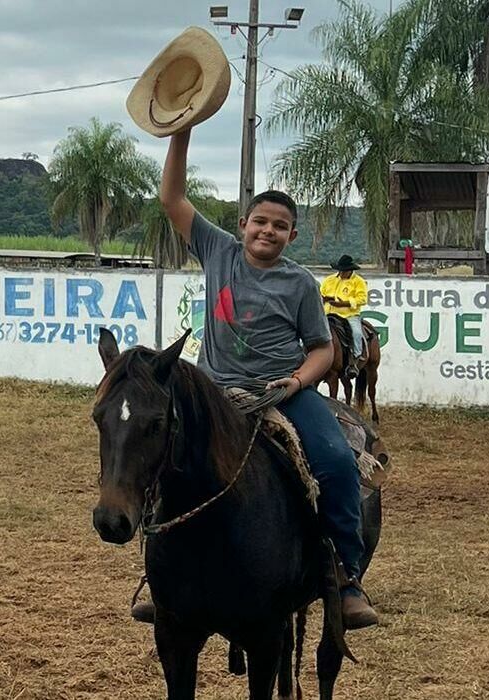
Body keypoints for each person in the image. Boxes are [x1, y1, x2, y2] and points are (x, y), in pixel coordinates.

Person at [132, 128, 379, 629]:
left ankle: (344, 576)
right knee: (162, 458)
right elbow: (171, 197)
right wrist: (183, 129)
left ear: (292, 235)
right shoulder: (216, 249)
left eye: (281, 226)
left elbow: (322, 349)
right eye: (260, 221)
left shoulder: (300, 284)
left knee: (334, 460)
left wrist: (297, 382)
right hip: (212, 393)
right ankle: (160, 579)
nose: (268, 230)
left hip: (280, 394)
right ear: (242, 224)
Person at [321, 255, 368, 378]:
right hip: (328, 313)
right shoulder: (329, 280)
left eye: (344, 270)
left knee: (357, 333)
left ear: (350, 270)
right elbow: (320, 294)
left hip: (349, 315)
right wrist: (324, 299)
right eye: (340, 270)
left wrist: (344, 303)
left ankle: (354, 360)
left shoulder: (359, 282)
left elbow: (362, 299)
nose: (341, 273)